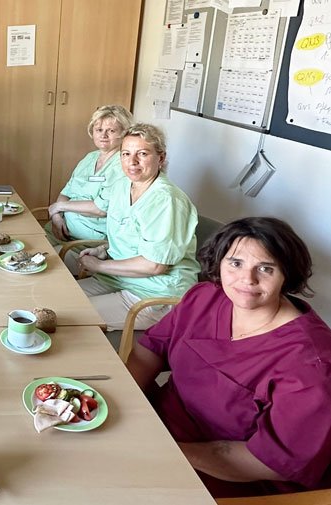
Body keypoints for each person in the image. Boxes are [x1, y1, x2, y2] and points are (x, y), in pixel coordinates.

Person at [127, 217, 331, 497]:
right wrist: (124, 404)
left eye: (266, 268)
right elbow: (150, 349)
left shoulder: (311, 364)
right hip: (158, 426)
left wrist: (167, 452)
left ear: (287, 274)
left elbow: (271, 461)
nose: (247, 279)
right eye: (236, 263)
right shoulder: (205, 297)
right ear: (219, 262)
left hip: (230, 474)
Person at [76, 123, 199, 330]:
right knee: (58, 299)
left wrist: (98, 266)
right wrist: (103, 250)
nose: (132, 162)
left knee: (70, 318)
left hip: (154, 294)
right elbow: (129, 233)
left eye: (142, 153)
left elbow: (155, 265)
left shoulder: (166, 200)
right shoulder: (122, 185)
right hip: (117, 279)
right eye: (126, 154)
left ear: (161, 158)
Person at [46, 105, 133, 243]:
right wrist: (57, 217)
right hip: (61, 228)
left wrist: (58, 207)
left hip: (87, 239)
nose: (103, 135)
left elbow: (100, 209)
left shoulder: (123, 164)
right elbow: (66, 193)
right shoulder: (90, 157)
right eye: (99, 130)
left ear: (124, 133)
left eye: (111, 131)